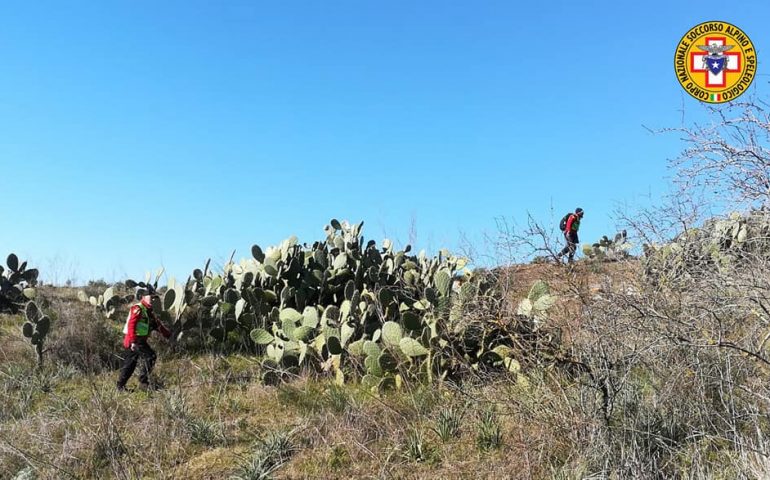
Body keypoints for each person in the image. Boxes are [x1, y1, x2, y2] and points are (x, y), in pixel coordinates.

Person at [116, 294, 172, 391]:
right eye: (150, 297)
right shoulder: (138, 308)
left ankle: (120, 386)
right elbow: (131, 325)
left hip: (139, 340)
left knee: (130, 364)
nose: (152, 299)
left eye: (154, 298)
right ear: (143, 297)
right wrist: (133, 341)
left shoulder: (149, 312)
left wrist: (169, 335)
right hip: (134, 340)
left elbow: (158, 326)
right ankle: (143, 381)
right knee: (150, 356)